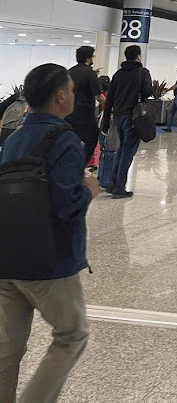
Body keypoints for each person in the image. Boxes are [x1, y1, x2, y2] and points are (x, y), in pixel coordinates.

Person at [0, 63, 99, 403]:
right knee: (72, 335)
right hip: (50, 262)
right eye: (71, 90)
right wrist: (89, 189)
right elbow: (67, 205)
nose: (73, 95)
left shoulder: (12, 138)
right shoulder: (65, 139)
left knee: (7, 350)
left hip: (6, 259)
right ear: (60, 98)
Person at [101, 45, 153, 199]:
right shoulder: (142, 72)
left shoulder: (118, 74)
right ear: (138, 56)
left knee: (121, 149)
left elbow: (109, 99)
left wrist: (105, 123)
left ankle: (113, 183)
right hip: (134, 117)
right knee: (128, 152)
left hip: (118, 117)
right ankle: (118, 187)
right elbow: (148, 92)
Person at [65, 45, 101, 166]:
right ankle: (80, 165)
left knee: (70, 140)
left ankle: (69, 162)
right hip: (85, 115)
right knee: (92, 139)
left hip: (68, 113)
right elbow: (99, 96)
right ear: (88, 59)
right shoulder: (90, 73)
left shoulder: (69, 71)